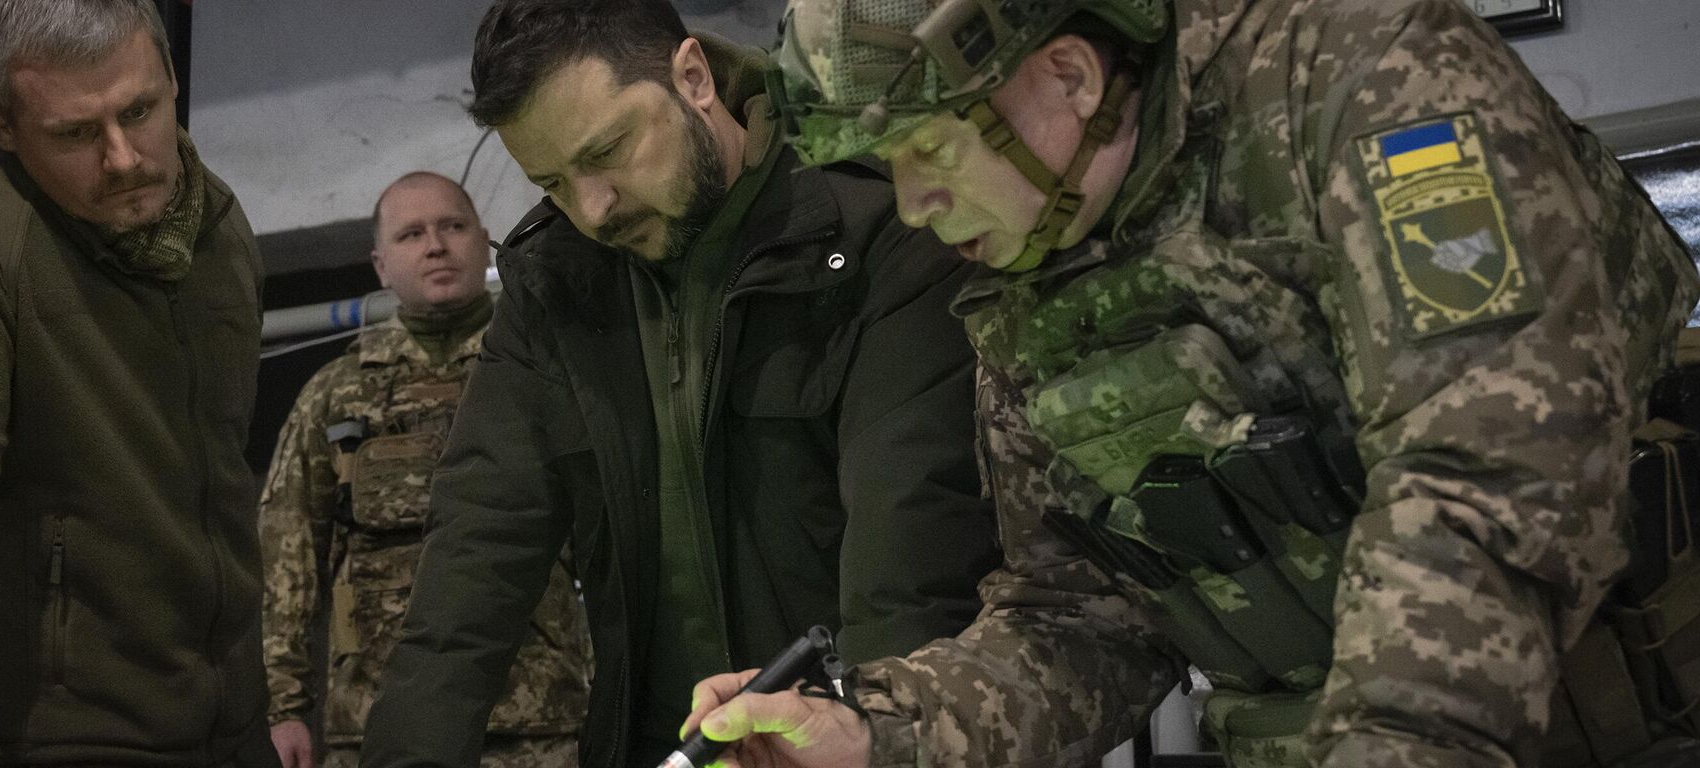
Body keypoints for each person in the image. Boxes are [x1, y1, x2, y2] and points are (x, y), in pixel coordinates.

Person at [681, 0, 1700, 766]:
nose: (913, 206)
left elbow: (1487, 474)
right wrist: (875, 736)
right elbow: (1082, 614)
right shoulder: (1032, 256)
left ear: (1071, 74)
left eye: (929, 149)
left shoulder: (1362, 75)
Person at [358, 1, 1003, 766]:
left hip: (836, 741)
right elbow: (474, 555)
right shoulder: (559, 283)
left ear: (693, 77)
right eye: (553, 181)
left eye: (608, 150)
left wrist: (871, 743)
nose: (592, 207)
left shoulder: (870, 227)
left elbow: (909, 575)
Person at [0, 1, 276, 766]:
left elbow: (225, 485)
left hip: (235, 733)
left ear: (173, 77)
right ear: (2, 123)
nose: (124, 157)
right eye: (76, 133)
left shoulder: (222, 230)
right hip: (65, 739)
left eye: (139, 110)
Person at [259, 172, 591, 768]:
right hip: (377, 722)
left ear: (484, 239)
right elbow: (288, 553)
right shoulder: (335, 396)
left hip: (536, 717)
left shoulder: (547, 369)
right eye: (412, 234)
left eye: (453, 226)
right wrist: (286, 705)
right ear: (381, 265)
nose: (436, 245)